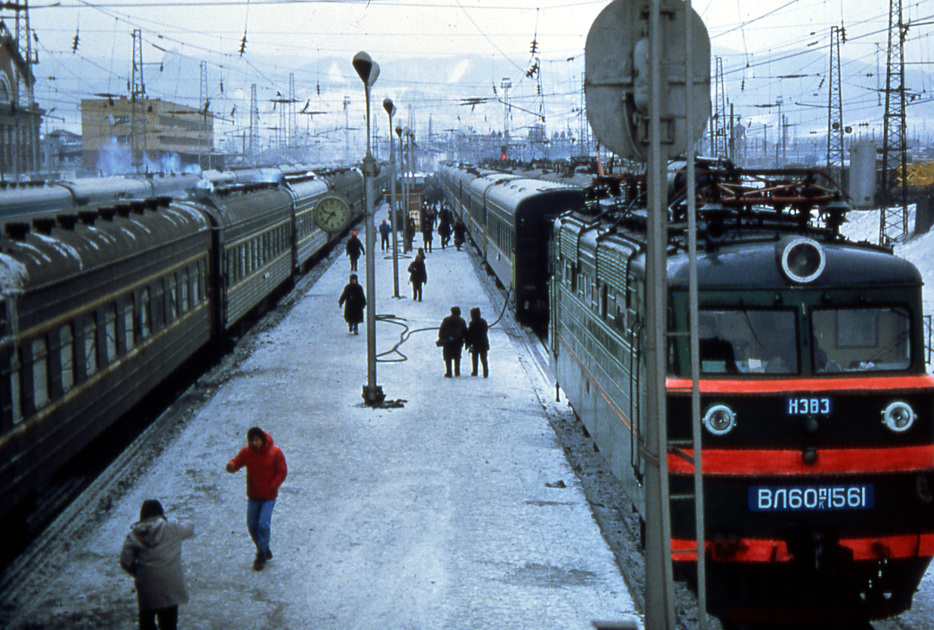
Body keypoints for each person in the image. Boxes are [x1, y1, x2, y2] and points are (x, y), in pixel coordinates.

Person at [120, 499, 195, 630]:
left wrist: (138, 573)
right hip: (170, 586)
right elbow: (189, 528)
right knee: (169, 625)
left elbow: (126, 560)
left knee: (146, 623)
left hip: (147, 587)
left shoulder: (134, 534)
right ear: (161, 513)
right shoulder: (172, 528)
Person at [226, 427, 288, 571]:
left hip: (268, 497)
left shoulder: (275, 452)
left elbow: (282, 471)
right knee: (252, 525)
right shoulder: (247, 452)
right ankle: (264, 548)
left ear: (262, 439)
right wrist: (232, 466)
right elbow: (238, 461)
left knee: (263, 525)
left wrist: (272, 486)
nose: (254, 443)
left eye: (257, 440)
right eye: (252, 440)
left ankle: (261, 554)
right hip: (254, 495)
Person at [438, 306, 467, 377]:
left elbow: (441, 330)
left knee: (448, 357)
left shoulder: (446, 320)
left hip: (448, 342)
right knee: (457, 357)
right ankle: (457, 371)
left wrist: (441, 338)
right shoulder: (462, 321)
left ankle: (449, 372)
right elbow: (465, 332)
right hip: (458, 342)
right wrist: (467, 341)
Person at [465, 307, 490, 378]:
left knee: (475, 358)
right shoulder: (484, 322)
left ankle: (475, 371)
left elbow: (470, 333)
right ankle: (485, 372)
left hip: (475, 343)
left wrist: (468, 343)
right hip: (484, 343)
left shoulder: (472, 323)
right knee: (484, 358)